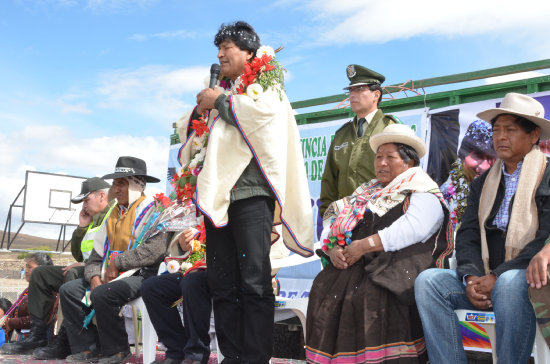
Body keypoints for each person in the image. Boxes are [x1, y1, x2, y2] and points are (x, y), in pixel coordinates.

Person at [192, 21, 313, 364]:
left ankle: (256, 358)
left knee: (254, 281)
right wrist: (208, 106)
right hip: (221, 199)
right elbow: (202, 144)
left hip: (252, 196)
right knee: (221, 282)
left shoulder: (267, 83)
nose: (220, 55)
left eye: (227, 48)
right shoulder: (223, 90)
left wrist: (222, 103)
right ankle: (232, 356)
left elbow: (264, 117)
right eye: (218, 50)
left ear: (248, 52)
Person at [414, 92, 550, 364]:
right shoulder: (483, 182)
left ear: (533, 135)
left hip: (533, 278)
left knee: (510, 284)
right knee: (428, 282)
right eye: (497, 130)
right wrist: (471, 279)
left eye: (510, 130)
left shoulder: (547, 174)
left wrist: (498, 277)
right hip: (487, 276)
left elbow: (544, 235)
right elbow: (468, 235)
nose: (500, 137)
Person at [305, 123, 454, 363]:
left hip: (398, 265)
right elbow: (334, 221)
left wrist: (365, 245)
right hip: (359, 264)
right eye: (378, 157)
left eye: (390, 157)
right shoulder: (367, 192)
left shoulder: (422, 191)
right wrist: (332, 248)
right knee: (324, 287)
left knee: (372, 293)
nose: (381, 163)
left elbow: (413, 228)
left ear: (409, 162)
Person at [59, 156, 169, 364]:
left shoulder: (153, 211)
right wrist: (92, 275)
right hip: (109, 274)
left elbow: (155, 250)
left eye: (121, 184)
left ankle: (117, 351)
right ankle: (88, 348)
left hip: (143, 274)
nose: (115, 190)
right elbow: (94, 257)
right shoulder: (113, 215)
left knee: (105, 293)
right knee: (70, 290)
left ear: (137, 185)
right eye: (114, 185)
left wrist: (117, 263)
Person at [26, 177, 113, 360]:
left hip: (102, 270)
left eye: (86, 200)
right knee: (40, 274)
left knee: (72, 273)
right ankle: (38, 335)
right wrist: (82, 227)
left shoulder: (114, 214)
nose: (84, 205)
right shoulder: (94, 219)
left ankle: (66, 338)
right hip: (86, 268)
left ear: (101, 196)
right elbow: (78, 254)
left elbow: (113, 250)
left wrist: (83, 265)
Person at [319, 64, 398, 217]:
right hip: (344, 222)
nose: (352, 95)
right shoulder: (342, 134)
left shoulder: (390, 128)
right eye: (350, 90)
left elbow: (401, 177)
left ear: (376, 95)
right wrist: (328, 216)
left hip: (380, 219)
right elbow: (329, 180)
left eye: (359, 89)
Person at [440, 119, 497, 227]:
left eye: (490, 158)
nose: (484, 166)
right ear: (463, 155)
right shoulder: (447, 195)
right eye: (478, 156)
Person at [1, 253, 53, 350]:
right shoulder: (30, 290)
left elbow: (40, 319)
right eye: (26, 267)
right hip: (24, 338)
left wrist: (11, 322)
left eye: (30, 267)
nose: (26, 271)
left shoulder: (46, 292)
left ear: (42, 270)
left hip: (36, 343)